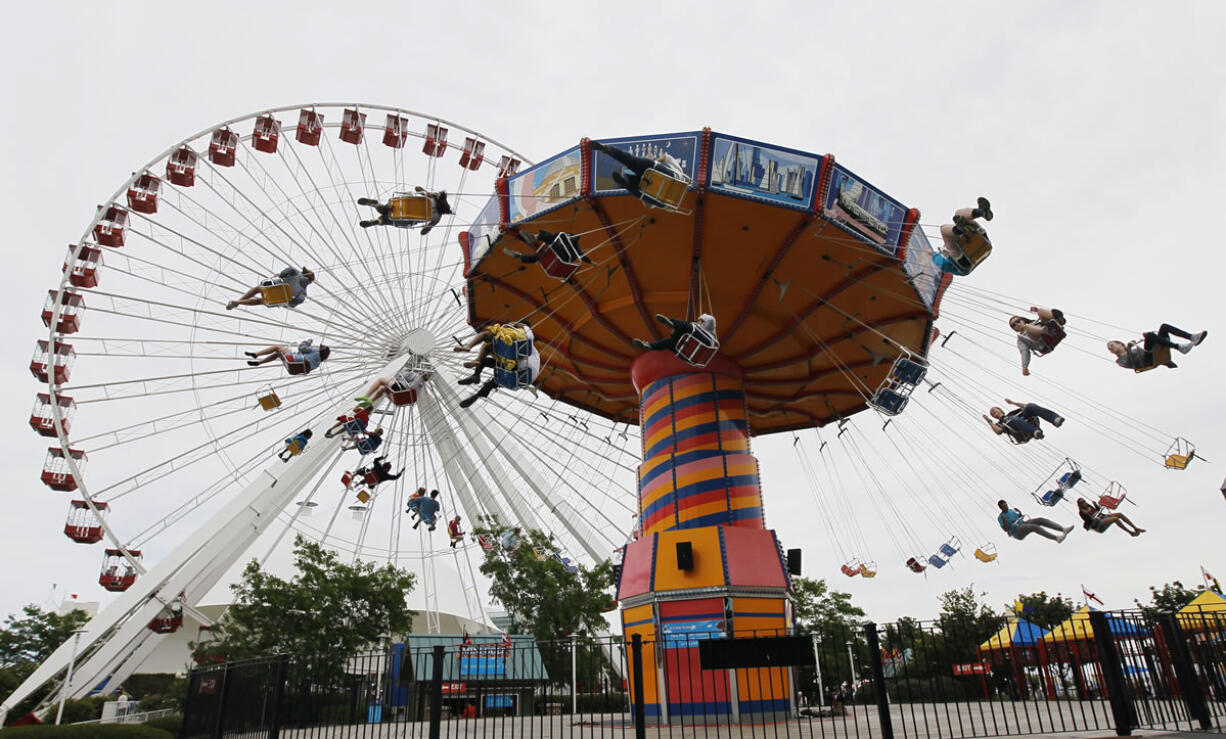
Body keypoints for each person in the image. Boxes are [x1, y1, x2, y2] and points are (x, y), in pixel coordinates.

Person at [458, 324, 540, 409]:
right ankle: (477, 393)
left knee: (488, 352)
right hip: (521, 374)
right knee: (493, 380)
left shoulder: (525, 333)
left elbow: (523, 326)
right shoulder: (529, 348)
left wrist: (513, 324)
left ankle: (476, 374)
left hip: (520, 369)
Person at [590, 140, 686, 205]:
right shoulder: (672, 200)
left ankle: (607, 149)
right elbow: (648, 204)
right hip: (655, 187)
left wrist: (656, 161)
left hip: (657, 171)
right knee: (641, 193)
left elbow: (666, 157)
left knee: (632, 162)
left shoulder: (680, 172)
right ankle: (626, 184)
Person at [932, 198, 992, 276]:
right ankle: (980, 212)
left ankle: (961, 228)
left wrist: (933, 254)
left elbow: (943, 265)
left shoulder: (950, 259)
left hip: (966, 261)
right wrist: (933, 255)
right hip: (982, 244)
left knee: (948, 232)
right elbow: (943, 264)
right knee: (952, 220)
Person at [1107, 325, 1207, 371]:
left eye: (1112, 345)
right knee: (1150, 336)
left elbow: (1147, 351)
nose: (1111, 348)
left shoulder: (1133, 349)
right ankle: (1179, 347)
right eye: (1109, 349)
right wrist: (1129, 348)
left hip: (1150, 356)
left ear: (1120, 344)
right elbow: (1132, 364)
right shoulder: (1120, 361)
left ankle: (1192, 337)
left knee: (1164, 327)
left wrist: (1167, 362)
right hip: (1146, 362)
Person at [357, 187, 452, 235]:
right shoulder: (437, 218)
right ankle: (377, 221)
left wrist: (425, 192)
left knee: (386, 209)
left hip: (402, 204)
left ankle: (376, 205)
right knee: (386, 219)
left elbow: (417, 188)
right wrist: (426, 227)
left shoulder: (433, 198)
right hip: (406, 218)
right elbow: (424, 231)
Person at [1009, 307, 1067, 376]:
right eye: (1013, 325)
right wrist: (1025, 367)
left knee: (1040, 311)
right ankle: (1046, 330)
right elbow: (1024, 352)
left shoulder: (1034, 323)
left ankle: (1057, 320)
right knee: (1027, 327)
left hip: (1049, 330)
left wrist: (1036, 311)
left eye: (1018, 321)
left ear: (1023, 320)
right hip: (1042, 342)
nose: (1017, 324)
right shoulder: (1021, 339)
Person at [226, 267, 315, 310]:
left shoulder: (294, 272)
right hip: (278, 299)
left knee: (258, 289)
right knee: (260, 301)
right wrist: (286, 303)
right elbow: (292, 304)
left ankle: (238, 302)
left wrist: (279, 275)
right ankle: (237, 303)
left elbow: (284, 272)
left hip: (273, 287)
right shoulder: (303, 293)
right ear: (310, 282)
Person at [983, 398, 1065, 443]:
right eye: (991, 413)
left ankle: (1055, 419)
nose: (993, 412)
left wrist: (1013, 403)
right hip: (1020, 433)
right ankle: (1034, 432)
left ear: (1000, 410)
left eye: (994, 410)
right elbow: (999, 431)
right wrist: (989, 421)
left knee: (1030, 406)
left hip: (1027, 422)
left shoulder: (1012, 413)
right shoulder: (1000, 424)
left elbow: (1025, 407)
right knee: (1012, 419)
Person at [633, 313, 717, 354]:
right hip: (687, 351)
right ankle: (649, 346)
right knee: (668, 342)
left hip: (705, 343)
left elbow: (710, 320)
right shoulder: (696, 327)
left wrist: (699, 321)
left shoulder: (708, 329)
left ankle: (672, 323)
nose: (699, 322)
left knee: (686, 326)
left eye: (702, 321)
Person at [996, 500, 1073, 543]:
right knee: (1034, 527)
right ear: (1000, 508)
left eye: (1006, 505)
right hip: (1016, 531)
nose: (1005, 507)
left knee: (1040, 520)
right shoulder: (1001, 517)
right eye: (1003, 506)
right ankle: (1056, 538)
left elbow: (1019, 518)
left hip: (1023, 524)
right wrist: (1004, 520)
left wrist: (1020, 513)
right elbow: (1006, 529)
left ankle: (1062, 529)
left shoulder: (1011, 511)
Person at [503, 229, 592, 265]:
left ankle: (534, 237)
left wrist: (591, 262)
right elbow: (584, 258)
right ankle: (519, 255)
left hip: (563, 256)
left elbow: (559, 235)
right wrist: (592, 263)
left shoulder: (569, 242)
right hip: (560, 258)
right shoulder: (577, 250)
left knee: (550, 239)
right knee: (540, 256)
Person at [245, 340, 331, 374]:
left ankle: (256, 354)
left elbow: (301, 348)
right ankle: (258, 363)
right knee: (277, 354)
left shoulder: (316, 351)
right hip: (294, 369)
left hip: (293, 360)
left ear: (321, 350)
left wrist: (307, 342)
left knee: (277, 347)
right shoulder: (318, 363)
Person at [1077, 498, 1146, 537]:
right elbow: (1089, 521)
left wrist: (1096, 505)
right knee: (1115, 519)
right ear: (1080, 505)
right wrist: (1085, 513)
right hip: (1098, 524)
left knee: (1119, 514)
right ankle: (1130, 532)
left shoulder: (1089, 506)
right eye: (1082, 503)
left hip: (1103, 517)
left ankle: (1136, 528)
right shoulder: (1082, 512)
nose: (1084, 503)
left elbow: (1097, 510)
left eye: (1084, 501)